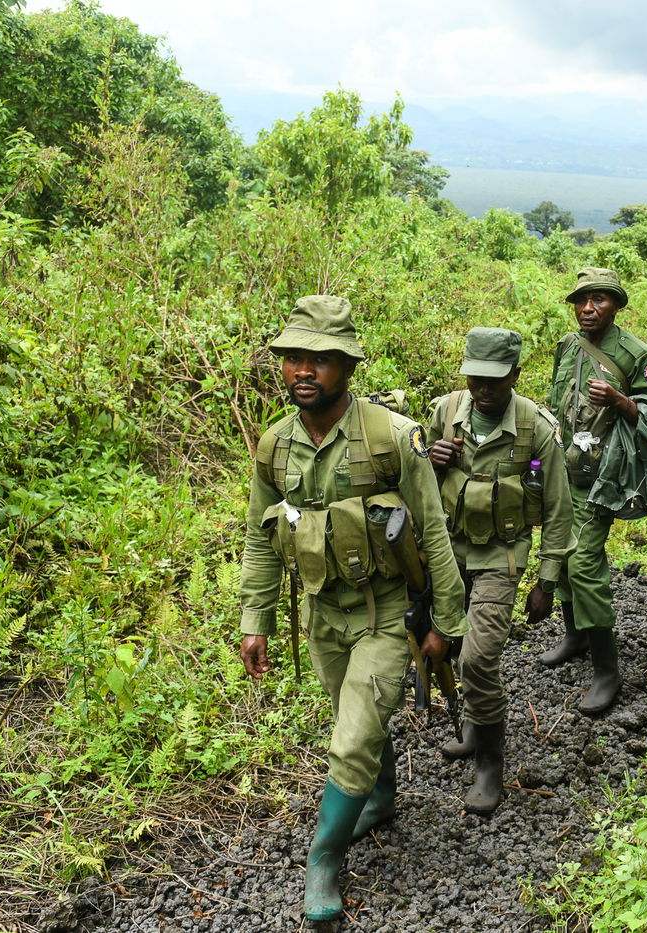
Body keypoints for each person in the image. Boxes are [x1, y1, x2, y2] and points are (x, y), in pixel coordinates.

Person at [236, 295, 466, 923]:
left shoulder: (393, 437)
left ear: (348, 367)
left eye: (320, 359)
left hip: (386, 612)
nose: (302, 371)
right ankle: (381, 796)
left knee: (353, 733)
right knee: (354, 715)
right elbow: (261, 534)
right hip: (322, 614)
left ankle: (324, 860)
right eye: (292, 359)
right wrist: (255, 619)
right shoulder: (276, 446)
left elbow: (433, 529)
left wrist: (447, 624)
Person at [424, 326, 573, 814]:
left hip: (500, 558)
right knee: (448, 645)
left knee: (479, 656)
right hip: (446, 553)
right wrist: (433, 461)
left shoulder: (535, 428)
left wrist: (546, 583)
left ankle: (490, 763)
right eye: (475, 379)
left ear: (515, 374)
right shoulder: (444, 414)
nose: (483, 389)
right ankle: (474, 723)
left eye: (495, 380)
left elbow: (558, 508)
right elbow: (411, 483)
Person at [539, 267, 647, 716]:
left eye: (599, 299)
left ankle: (607, 669)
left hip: (604, 479)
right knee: (558, 550)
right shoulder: (567, 346)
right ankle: (573, 636)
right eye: (582, 300)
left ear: (616, 305)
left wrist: (621, 401)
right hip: (563, 471)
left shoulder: (636, 355)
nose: (588, 308)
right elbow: (557, 407)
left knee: (583, 561)